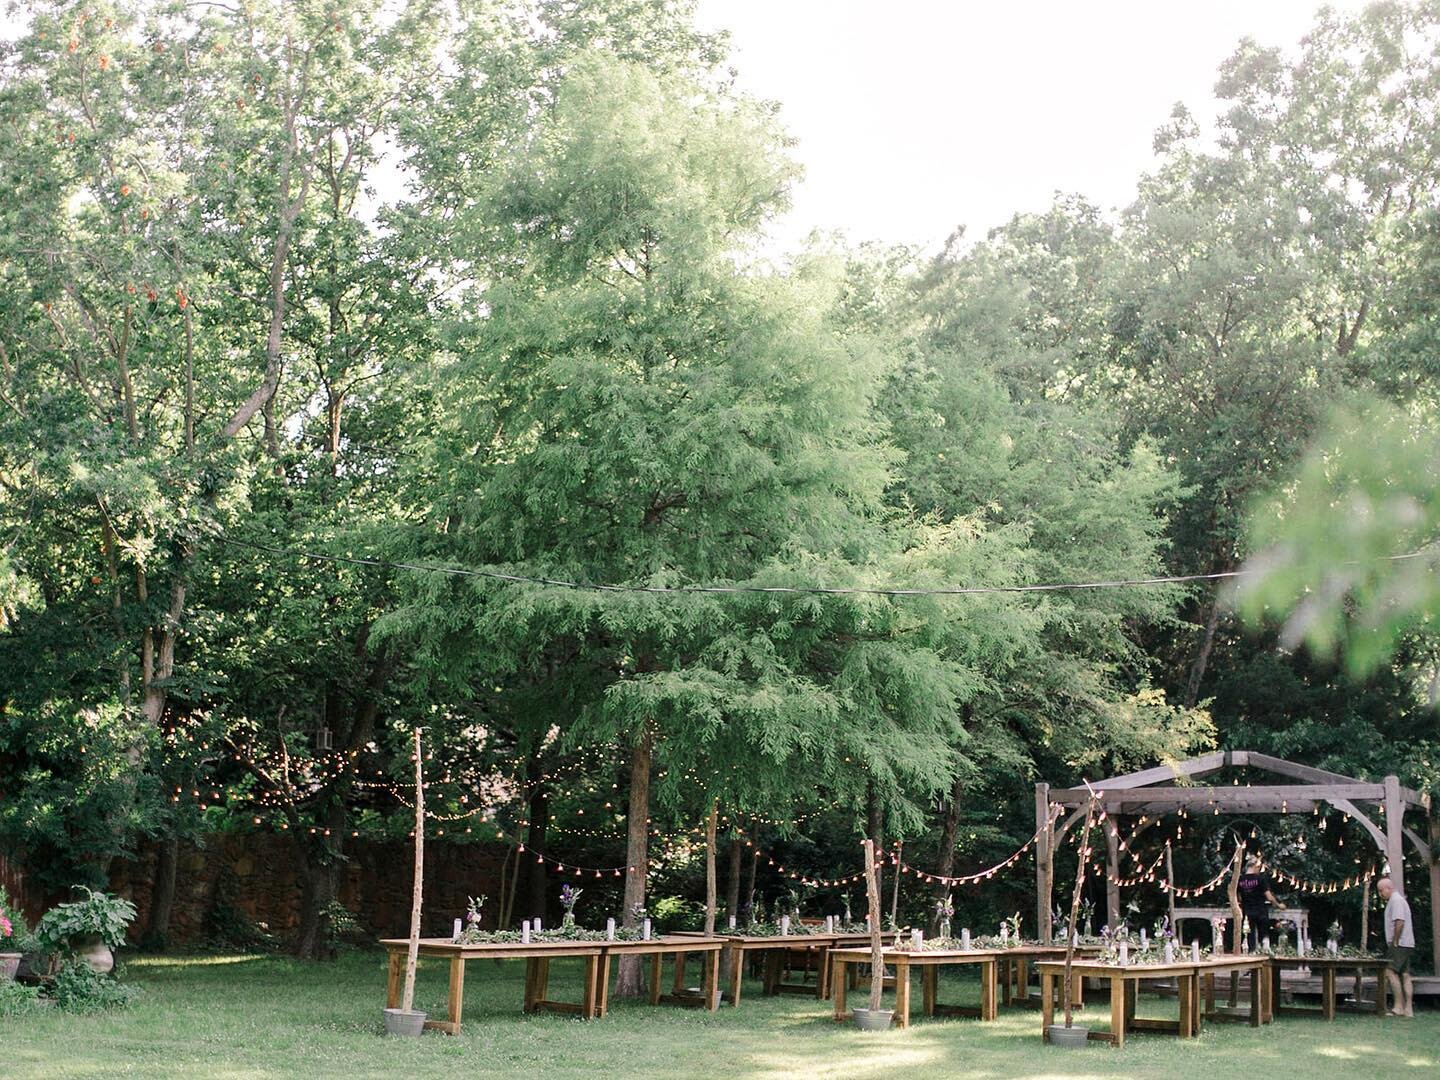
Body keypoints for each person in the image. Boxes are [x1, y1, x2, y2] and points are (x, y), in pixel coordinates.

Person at [1377, 876, 1415, 1017]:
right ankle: (1408, 1009)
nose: (1381, 894)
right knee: (1405, 974)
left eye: (1382, 890)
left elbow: (1400, 921)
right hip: (1407, 943)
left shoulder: (1396, 901)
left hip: (1400, 943)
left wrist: (1395, 941)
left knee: (1389, 971)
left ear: (1389, 888)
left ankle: (1399, 1006)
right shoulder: (1398, 900)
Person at [1236, 854, 1287, 950]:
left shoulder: (1240, 880)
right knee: (1264, 936)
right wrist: (1279, 905)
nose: (1259, 869)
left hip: (1247, 911)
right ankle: (1264, 954)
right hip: (1261, 910)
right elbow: (1269, 897)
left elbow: (1239, 898)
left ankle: (1251, 955)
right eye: (1259, 867)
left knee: (1249, 936)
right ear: (1255, 866)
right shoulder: (1260, 879)